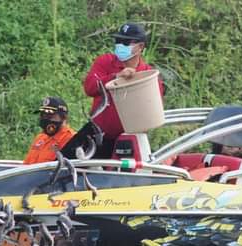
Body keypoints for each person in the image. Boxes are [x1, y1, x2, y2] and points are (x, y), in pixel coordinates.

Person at [82, 22, 165, 158]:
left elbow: (154, 109)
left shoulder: (148, 75)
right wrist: (115, 77)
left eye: (126, 42)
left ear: (141, 46)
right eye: (118, 41)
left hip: (130, 140)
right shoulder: (105, 62)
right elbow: (90, 88)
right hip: (98, 136)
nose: (120, 45)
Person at [23, 97, 76, 165]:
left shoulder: (71, 140)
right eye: (43, 116)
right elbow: (26, 165)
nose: (45, 120)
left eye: (50, 116)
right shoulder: (40, 138)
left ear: (64, 117)